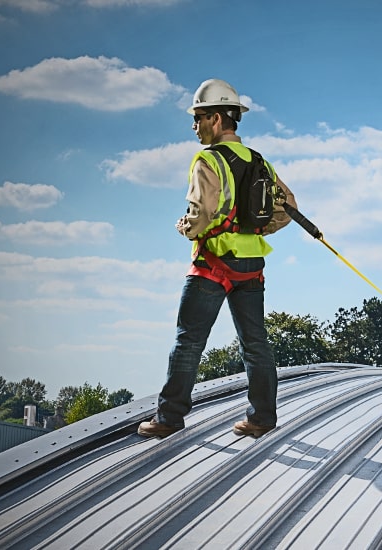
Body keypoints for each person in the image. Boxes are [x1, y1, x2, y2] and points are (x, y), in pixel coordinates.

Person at [138, 78, 296, 438]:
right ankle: (261, 418)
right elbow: (288, 208)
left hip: (213, 265)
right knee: (255, 343)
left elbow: (201, 215)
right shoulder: (259, 161)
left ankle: (168, 419)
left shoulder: (207, 161)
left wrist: (186, 229)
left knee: (188, 342)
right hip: (251, 268)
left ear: (217, 119)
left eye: (198, 118)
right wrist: (255, 231)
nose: (194, 127)